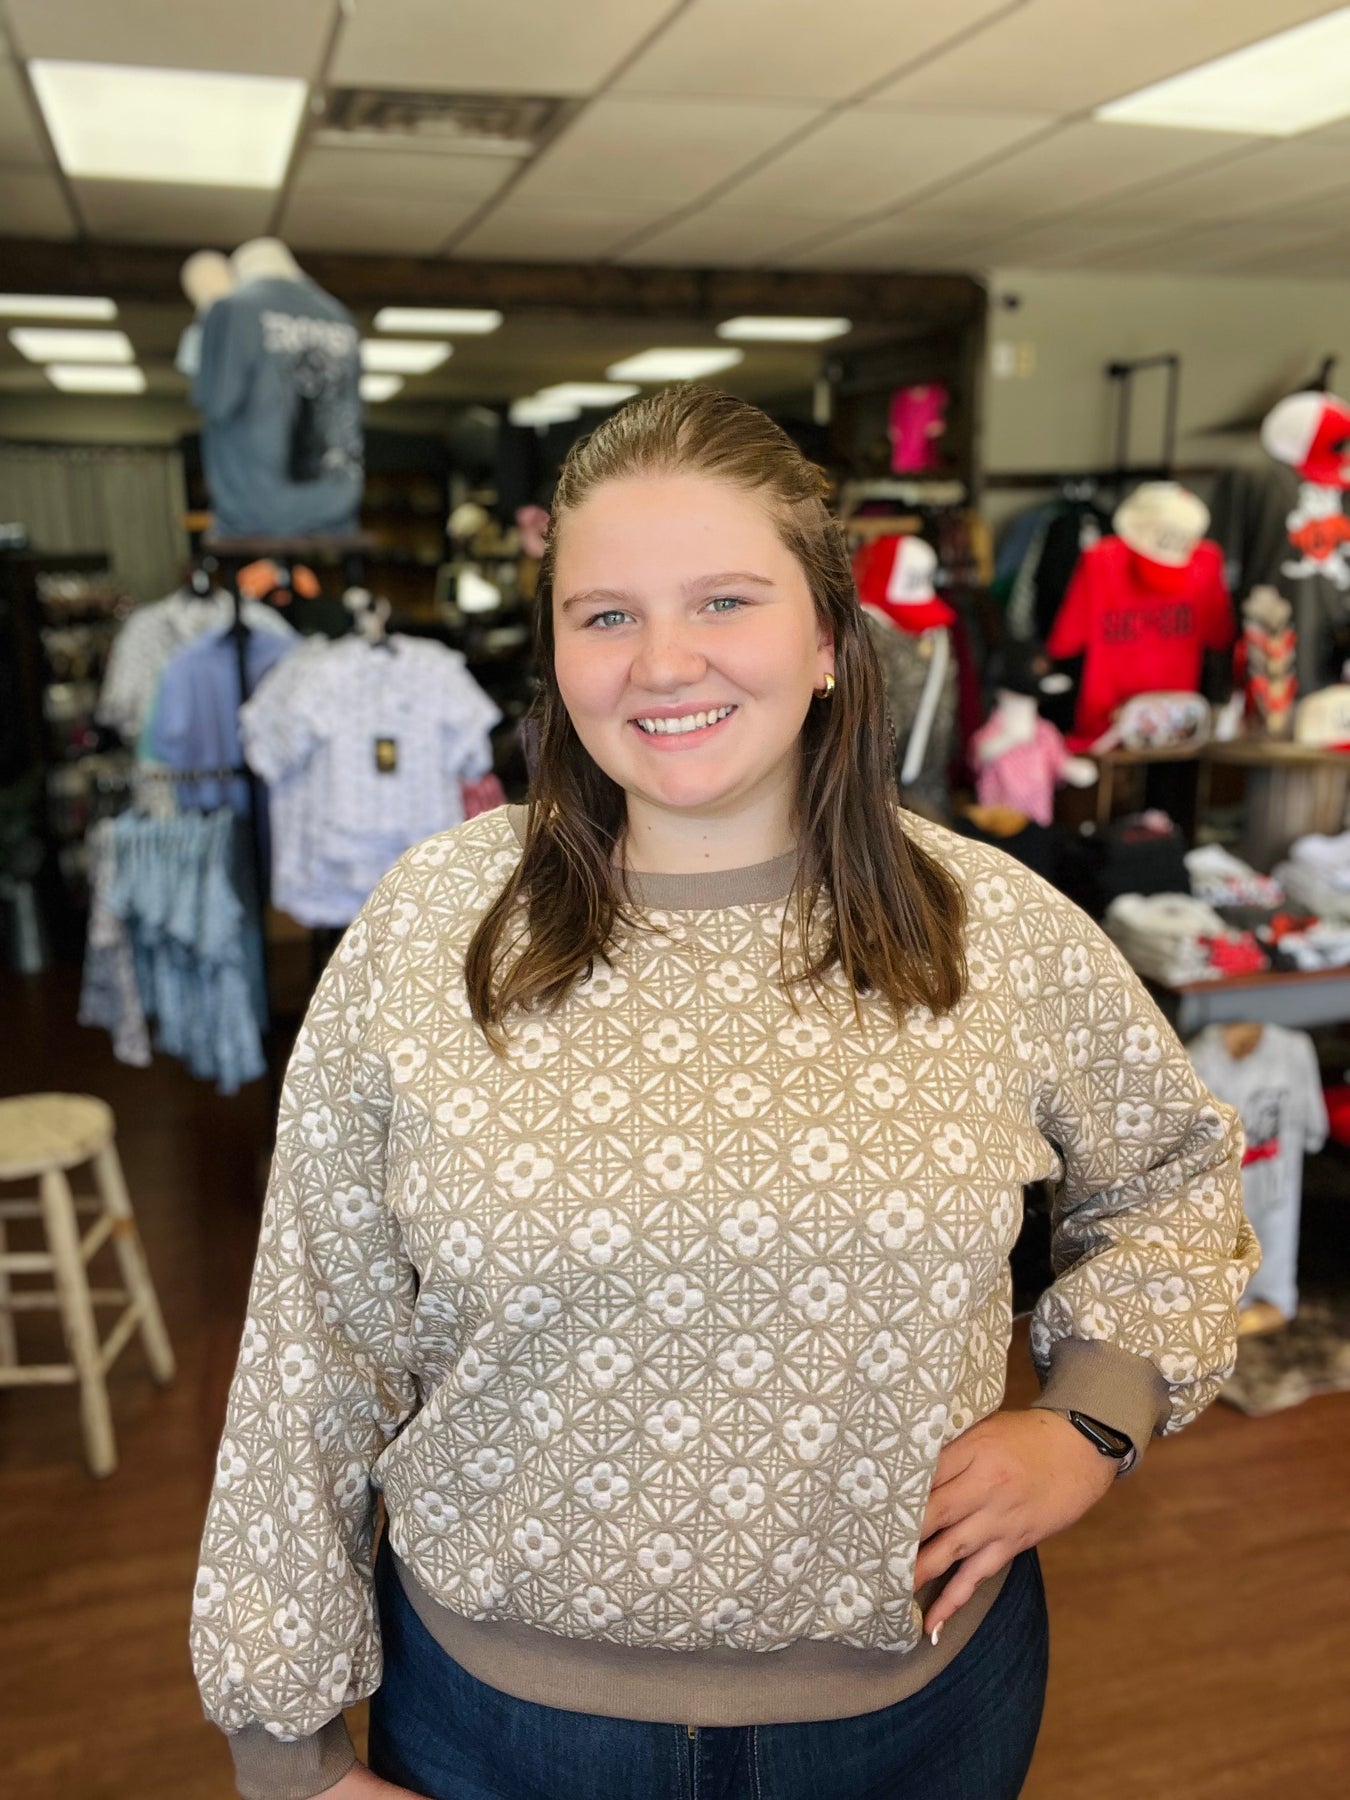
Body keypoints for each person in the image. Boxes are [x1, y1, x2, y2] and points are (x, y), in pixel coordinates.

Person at [191, 388, 1256, 1800]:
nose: (662, 663)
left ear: (825, 641)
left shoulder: (989, 924)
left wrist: (1092, 1418)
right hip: (506, 1730)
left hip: (916, 1714)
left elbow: (1175, 1175)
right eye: (606, 615)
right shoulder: (437, 924)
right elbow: (314, 1338)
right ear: (555, 648)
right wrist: (288, 1755)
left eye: (724, 602)